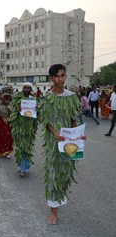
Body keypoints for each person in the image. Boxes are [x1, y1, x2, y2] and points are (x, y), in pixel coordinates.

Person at [40, 64, 84, 225]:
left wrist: (78, 135)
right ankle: (54, 212)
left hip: (69, 141)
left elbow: (73, 119)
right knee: (52, 173)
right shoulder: (46, 98)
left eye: (63, 75)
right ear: (51, 78)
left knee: (65, 174)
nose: (61, 79)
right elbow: (45, 120)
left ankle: (59, 198)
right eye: (57, 76)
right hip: (54, 142)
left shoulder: (71, 96)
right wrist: (54, 133)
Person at [9, 82, 38, 177]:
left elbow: (38, 116)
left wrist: (38, 110)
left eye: (27, 88)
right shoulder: (18, 100)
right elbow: (12, 113)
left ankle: (25, 167)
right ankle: (22, 167)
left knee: (27, 148)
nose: (25, 89)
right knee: (20, 148)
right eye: (24, 88)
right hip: (19, 128)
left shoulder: (34, 101)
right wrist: (16, 111)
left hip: (29, 129)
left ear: (30, 90)